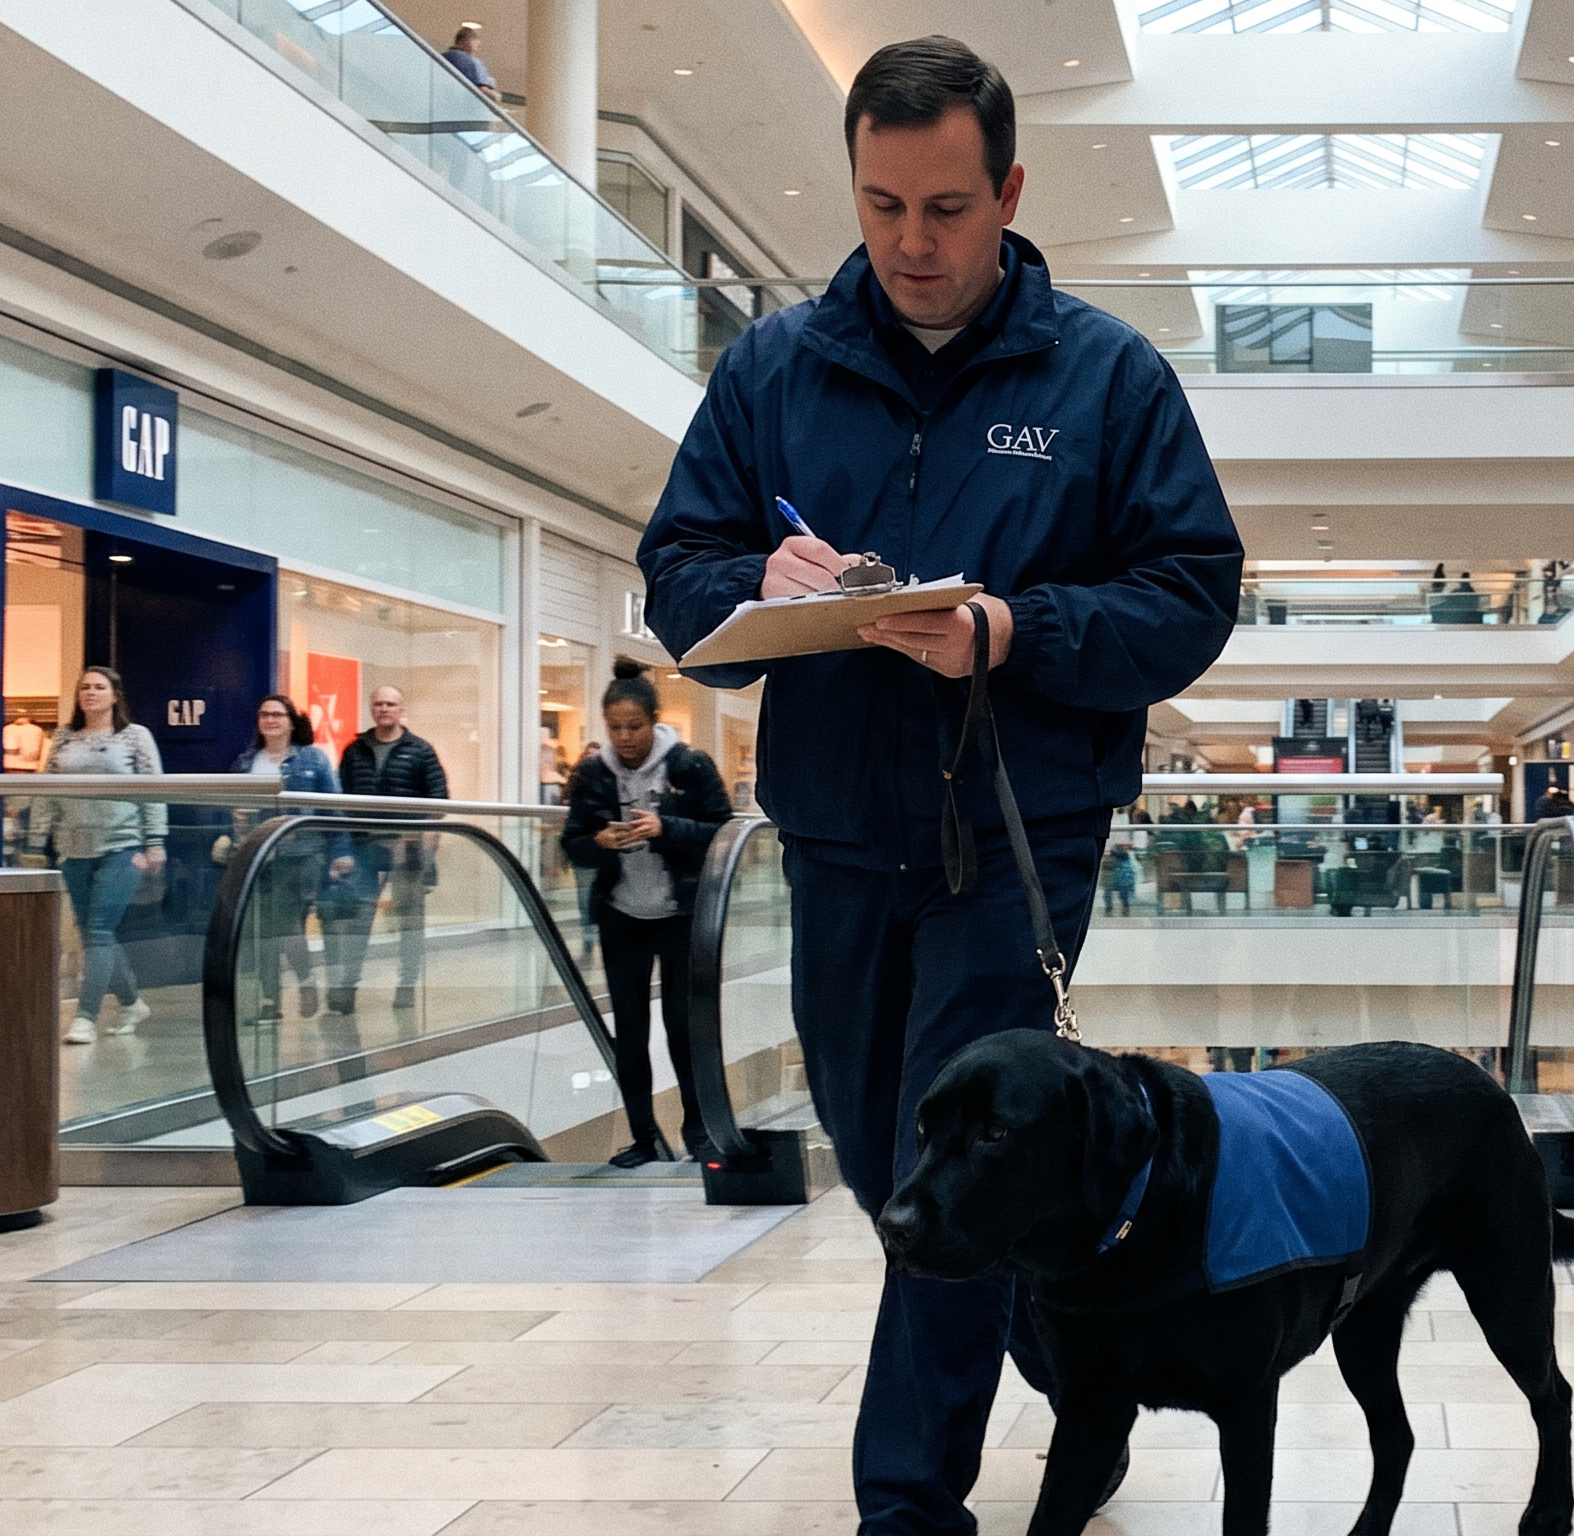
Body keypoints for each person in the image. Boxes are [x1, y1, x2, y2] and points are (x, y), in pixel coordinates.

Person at [636, 35, 1241, 1535]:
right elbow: (677, 576)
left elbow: (1191, 593)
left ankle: (907, 1506)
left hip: (1019, 838)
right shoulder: (775, 369)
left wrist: (1016, 631)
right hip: (839, 837)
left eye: (947, 209)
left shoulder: (1107, 377)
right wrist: (749, 582)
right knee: (884, 1153)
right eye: (882, 205)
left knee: (952, 1170)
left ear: (1011, 191)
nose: (911, 243)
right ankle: (1069, 1345)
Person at [560, 661, 733, 1166]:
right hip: (622, 919)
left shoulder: (690, 766)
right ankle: (642, 1137)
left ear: (654, 721)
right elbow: (572, 844)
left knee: (683, 1029)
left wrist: (667, 828)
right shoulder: (592, 773)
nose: (624, 737)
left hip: (681, 918)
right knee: (630, 1032)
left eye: (633, 726)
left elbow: (722, 833)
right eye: (614, 728)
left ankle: (699, 1130)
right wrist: (599, 841)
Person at [30, 666, 165, 1046]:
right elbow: (47, 788)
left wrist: (155, 841)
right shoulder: (63, 737)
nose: (90, 693)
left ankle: (85, 1017)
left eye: (99, 687)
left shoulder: (135, 737)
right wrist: (38, 838)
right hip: (73, 847)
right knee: (93, 933)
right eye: (84, 687)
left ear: (115, 695)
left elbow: (154, 789)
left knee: (101, 928)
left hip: (122, 846)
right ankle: (132, 1002)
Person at [325, 684, 449, 1015]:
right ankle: (348, 986)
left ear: (400, 709)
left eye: (391, 704)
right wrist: (342, 848)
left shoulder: (421, 751)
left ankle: (407, 984)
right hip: (364, 848)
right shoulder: (354, 751)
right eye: (379, 703)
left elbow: (438, 802)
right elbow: (341, 801)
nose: (384, 709)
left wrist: (425, 852)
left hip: (407, 849)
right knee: (358, 918)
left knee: (409, 921)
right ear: (371, 708)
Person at [228, 695, 344, 1024]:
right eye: (264, 714)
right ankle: (270, 1000)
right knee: (263, 929)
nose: (271, 720)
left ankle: (301, 983)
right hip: (258, 854)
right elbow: (232, 805)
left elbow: (333, 808)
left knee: (283, 924)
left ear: (292, 722)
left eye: (278, 715)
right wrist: (236, 821)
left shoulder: (313, 759)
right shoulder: (247, 761)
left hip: (301, 855)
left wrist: (340, 852)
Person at [443, 23, 500, 104]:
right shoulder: (468, 60)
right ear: (463, 42)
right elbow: (482, 90)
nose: (477, 50)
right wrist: (495, 95)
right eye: (476, 46)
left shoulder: (443, 59)